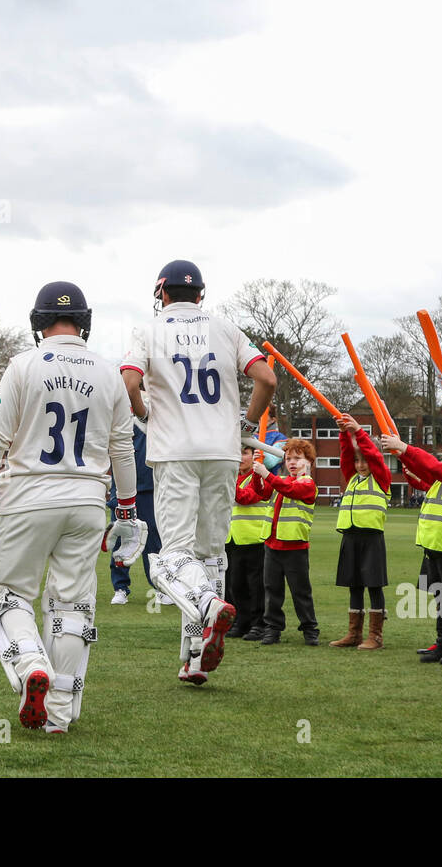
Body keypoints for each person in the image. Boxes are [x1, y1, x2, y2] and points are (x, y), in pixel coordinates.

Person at [0, 282, 135, 731]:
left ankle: (31, 664)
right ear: (84, 322)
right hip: (89, 500)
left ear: (38, 322)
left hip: (30, 497)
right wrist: (127, 513)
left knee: (6, 596)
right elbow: (123, 447)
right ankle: (59, 715)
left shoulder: (23, 365)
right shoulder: (109, 372)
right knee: (72, 607)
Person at [120, 260, 276, 683]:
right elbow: (267, 379)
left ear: (162, 294)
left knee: (171, 558)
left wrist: (144, 414)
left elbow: (129, 383)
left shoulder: (148, 330)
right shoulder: (227, 329)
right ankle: (193, 657)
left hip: (175, 451)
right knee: (210, 557)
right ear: (201, 295)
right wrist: (245, 425)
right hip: (223, 452)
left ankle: (208, 608)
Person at [381, 428, 442, 666]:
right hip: (434, 547)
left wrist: (404, 448)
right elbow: (424, 471)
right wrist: (401, 454)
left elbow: (431, 467)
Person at [329, 413, 391, 650]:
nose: (361, 464)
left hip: (371, 538)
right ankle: (354, 633)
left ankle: (375, 635)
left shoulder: (381, 478)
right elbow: (345, 455)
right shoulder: (352, 478)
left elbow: (374, 456)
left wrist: (358, 432)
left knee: (374, 586)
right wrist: (345, 433)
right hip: (350, 537)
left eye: (364, 460)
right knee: (354, 585)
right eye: (358, 461)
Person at [254, 437, 320, 646]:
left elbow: (290, 490)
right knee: (272, 590)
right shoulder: (281, 481)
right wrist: (258, 474)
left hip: (295, 547)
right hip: (272, 545)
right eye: (288, 458)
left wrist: (265, 473)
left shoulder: (307, 484)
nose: (292, 462)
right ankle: (272, 629)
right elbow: (261, 492)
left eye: (297, 458)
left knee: (301, 591)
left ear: (309, 462)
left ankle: (310, 628)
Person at [107, 405, 161, 606]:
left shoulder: (151, 410)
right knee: (120, 537)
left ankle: (158, 585)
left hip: (148, 485)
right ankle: (120, 587)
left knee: (153, 538)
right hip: (122, 488)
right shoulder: (116, 412)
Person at [224, 445, 269, 639]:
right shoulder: (233, 477)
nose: (240, 457)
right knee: (236, 585)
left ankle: (258, 624)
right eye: (237, 452)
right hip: (232, 539)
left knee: (256, 586)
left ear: (254, 456)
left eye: (245, 453)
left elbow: (245, 497)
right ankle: (241, 622)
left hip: (254, 539)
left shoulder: (259, 478)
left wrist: (225, 480)